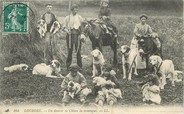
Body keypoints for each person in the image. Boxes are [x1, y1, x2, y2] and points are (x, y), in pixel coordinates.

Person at [63, 4, 84, 69]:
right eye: (75, 9)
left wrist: (81, 33)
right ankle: (68, 66)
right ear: (72, 10)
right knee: (70, 50)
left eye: (77, 9)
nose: (76, 11)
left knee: (78, 50)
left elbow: (83, 27)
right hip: (70, 36)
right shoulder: (67, 17)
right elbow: (63, 27)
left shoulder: (80, 17)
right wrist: (67, 31)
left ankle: (79, 66)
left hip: (77, 36)